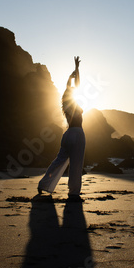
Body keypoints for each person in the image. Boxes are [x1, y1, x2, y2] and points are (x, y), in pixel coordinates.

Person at [37, 56, 86, 201]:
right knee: (76, 164)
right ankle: (74, 193)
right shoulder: (74, 103)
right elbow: (77, 85)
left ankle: (43, 185)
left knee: (59, 161)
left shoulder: (65, 104)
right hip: (77, 133)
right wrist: (77, 69)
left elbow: (71, 86)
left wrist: (70, 77)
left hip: (67, 135)